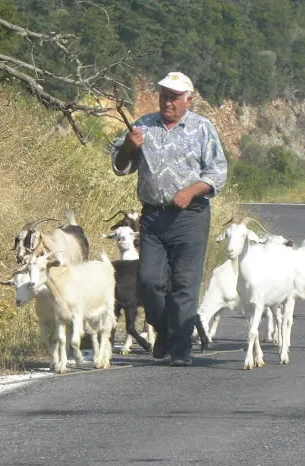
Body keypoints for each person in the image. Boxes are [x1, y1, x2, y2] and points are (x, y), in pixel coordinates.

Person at [111, 71, 228, 366]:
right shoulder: (143, 126)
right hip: (153, 218)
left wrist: (191, 191)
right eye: (164, 95)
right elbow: (120, 165)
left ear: (188, 99)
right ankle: (163, 330)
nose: (168, 102)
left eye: (174, 97)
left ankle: (180, 348)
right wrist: (129, 146)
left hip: (191, 216)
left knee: (184, 284)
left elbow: (217, 173)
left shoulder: (203, 129)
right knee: (149, 281)